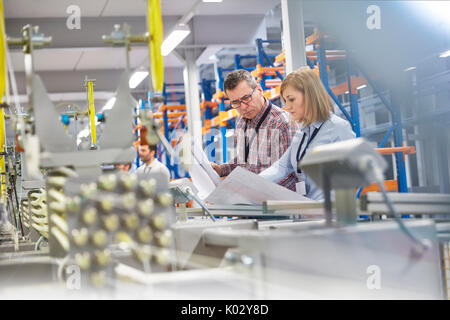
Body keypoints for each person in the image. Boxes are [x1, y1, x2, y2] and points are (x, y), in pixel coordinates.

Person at [259, 67, 356, 200]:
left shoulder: (338, 128)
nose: (287, 106)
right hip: (308, 212)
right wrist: (249, 183)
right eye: (285, 101)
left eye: (291, 99)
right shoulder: (302, 132)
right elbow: (281, 167)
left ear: (310, 96)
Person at [210, 69, 298, 190]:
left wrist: (254, 190)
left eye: (246, 98)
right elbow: (244, 160)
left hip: (281, 203)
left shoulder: (282, 124)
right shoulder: (241, 122)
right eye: (236, 102)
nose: (243, 107)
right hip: (255, 199)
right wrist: (221, 170)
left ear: (259, 90)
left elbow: (291, 174)